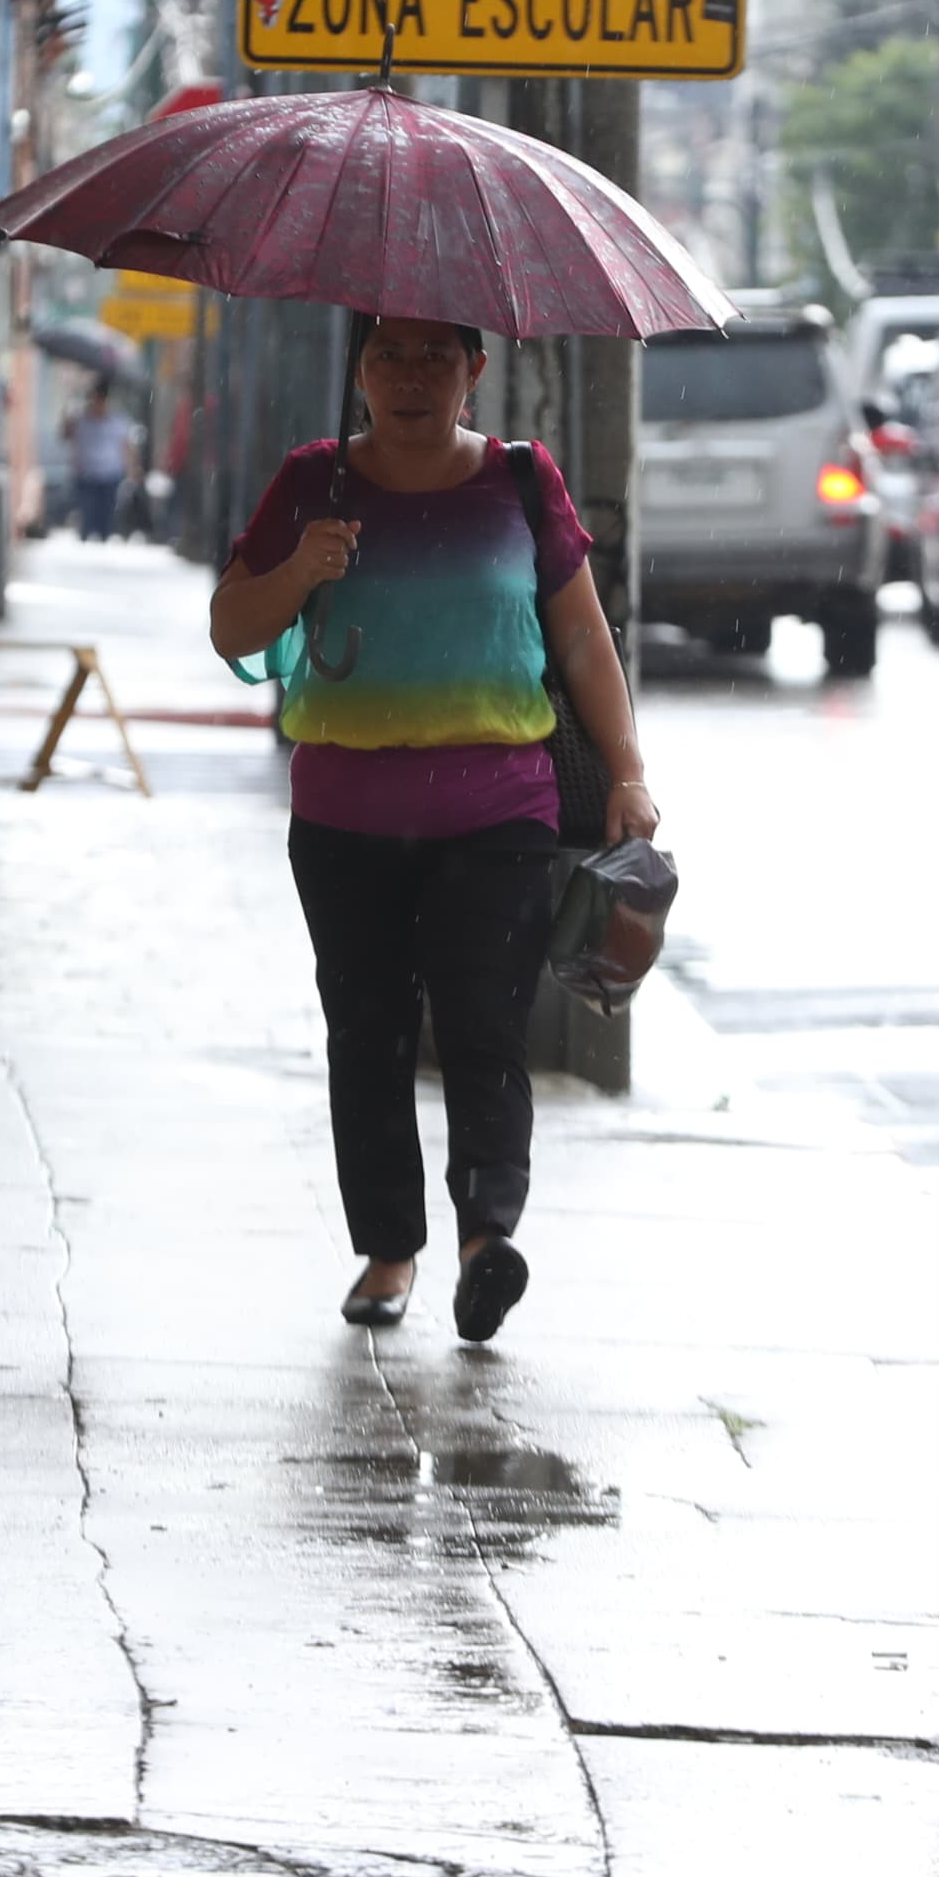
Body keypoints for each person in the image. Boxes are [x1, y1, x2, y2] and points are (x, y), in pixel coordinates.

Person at [209, 316, 655, 1342]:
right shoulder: (314, 482)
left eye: (435, 357)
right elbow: (234, 628)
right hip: (343, 821)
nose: (411, 377)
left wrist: (626, 773)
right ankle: (388, 1250)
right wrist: (299, 572)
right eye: (389, 355)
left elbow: (582, 637)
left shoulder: (518, 479)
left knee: (483, 1029)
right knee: (365, 1031)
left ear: (474, 371)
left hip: (494, 813)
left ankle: (483, 1240)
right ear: (360, 369)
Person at [66, 381, 138, 541]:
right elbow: (68, 437)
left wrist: (132, 470)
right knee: (87, 513)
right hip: (87, 474)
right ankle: (86, 541)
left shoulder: (118, 422)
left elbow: (126, 446)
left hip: (110, 474)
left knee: (106, 514)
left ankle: (104, 540)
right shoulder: (82, 421)